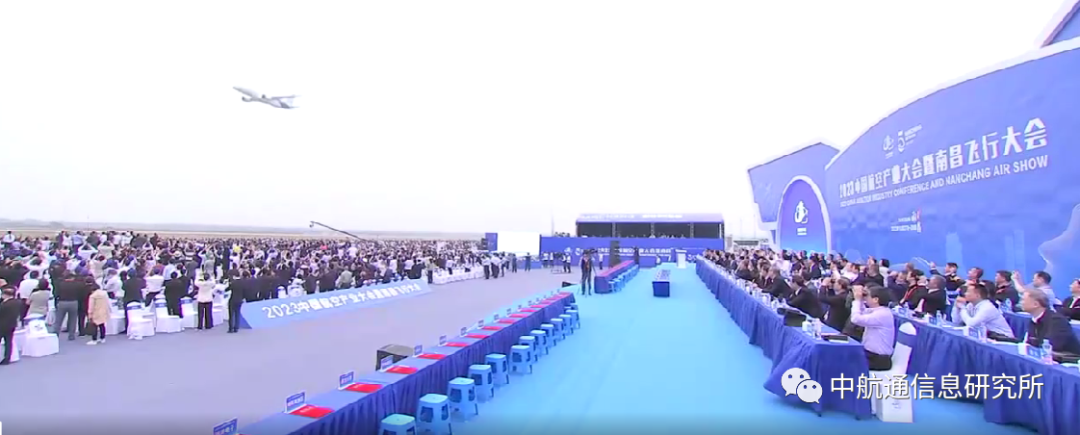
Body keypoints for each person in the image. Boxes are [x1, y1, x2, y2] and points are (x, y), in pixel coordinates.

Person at [849, 285, 895, 371]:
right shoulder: (877, 311)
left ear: (875, 299)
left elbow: (856, 319)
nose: (865, 297)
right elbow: (862, 312)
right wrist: (860, 300)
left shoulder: (882, 314)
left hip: (878, 359)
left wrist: (857, 300)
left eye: (867, 295)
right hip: (870, 355)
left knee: (847, 364)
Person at [1021, 288, 1080, 354]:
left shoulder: (1057, 321)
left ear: (1036, 304)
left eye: (1023, 300)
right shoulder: (1034, 320)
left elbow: (1052, 346)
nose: (1021, 303)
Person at [53, 273, 82, 340]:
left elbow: (56, 293)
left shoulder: (60, 284)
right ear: (72, 278)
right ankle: (71, 335)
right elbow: (80, 293)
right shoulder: (76, 285)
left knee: (59, 319)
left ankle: (56, 334)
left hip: (62, 302)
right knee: (73, 319)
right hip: (73, 302)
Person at [0, 287, 23, 365]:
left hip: (2, 325)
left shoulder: (4, 305)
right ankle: (7, 358)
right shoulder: (17, 302)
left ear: (6, 295)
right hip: (12, 324)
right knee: (8, 342)